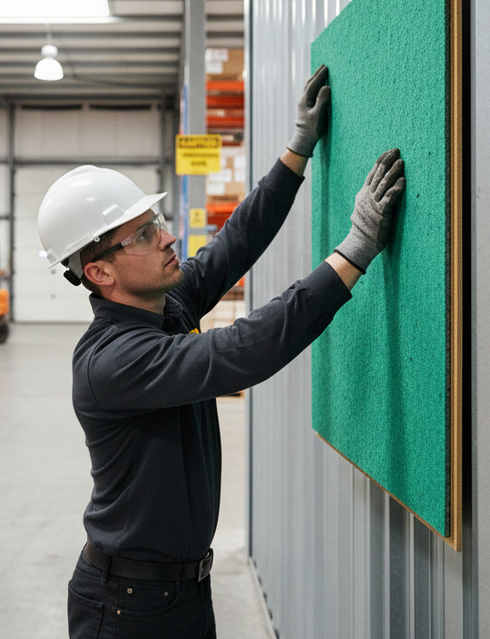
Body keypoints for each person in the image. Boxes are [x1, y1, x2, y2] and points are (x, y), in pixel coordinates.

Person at [36, 65, 405, 639]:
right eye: (141, 235)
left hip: (181, 591)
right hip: (126, 609)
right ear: (99, 271)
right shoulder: (110, 363)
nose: (167, 236)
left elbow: (236, 242)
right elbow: (240, 352)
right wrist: (355, 249)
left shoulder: (165, 308)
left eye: (155, 221)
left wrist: (297, 150)